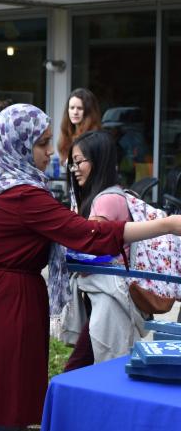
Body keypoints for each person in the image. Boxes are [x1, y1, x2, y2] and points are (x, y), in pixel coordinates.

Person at [0, 104, 181, 431]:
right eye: (42, 143)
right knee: (0, 424)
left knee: (11, 417)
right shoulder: (22, 195)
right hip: (10, 308)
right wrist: (167, 225)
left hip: (0, 302)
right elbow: (89, 234)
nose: (51, 152)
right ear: (17, 145)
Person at [63, 130, 146, 369]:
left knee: (80, 369)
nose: (74, 169)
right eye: (72, 163)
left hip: (109, 297)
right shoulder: (114, 195)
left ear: (98, 161)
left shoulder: (105, 201)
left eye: (79, 161)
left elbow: (89, 251)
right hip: (106, 295)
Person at [57, 87, 102, 164]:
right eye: (72, 108)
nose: (75, 112)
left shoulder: (95, 139)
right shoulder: (66, 135)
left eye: (80, 108)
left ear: (89, 111)